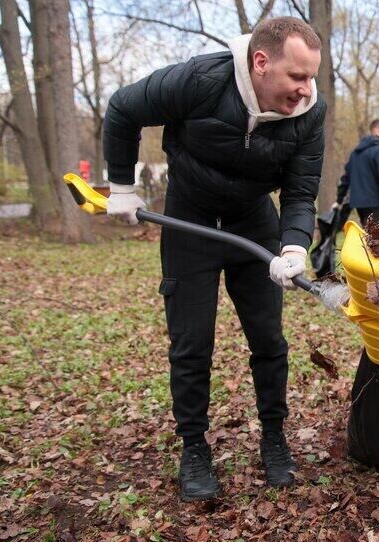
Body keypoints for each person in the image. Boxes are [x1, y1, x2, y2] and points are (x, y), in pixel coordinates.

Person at [102, 16, 326, 500]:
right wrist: (121, 185)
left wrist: (292, 245)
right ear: (261, 63)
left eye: (312, 77)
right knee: (191, 341)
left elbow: (302, 189)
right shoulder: (200, 80)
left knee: (268, 338)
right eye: (298, 76)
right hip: (192, 219)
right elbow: (122, 109)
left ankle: (274, 438)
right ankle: (194, 449)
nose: (306, 89)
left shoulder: (310, 112)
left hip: (253, 221)